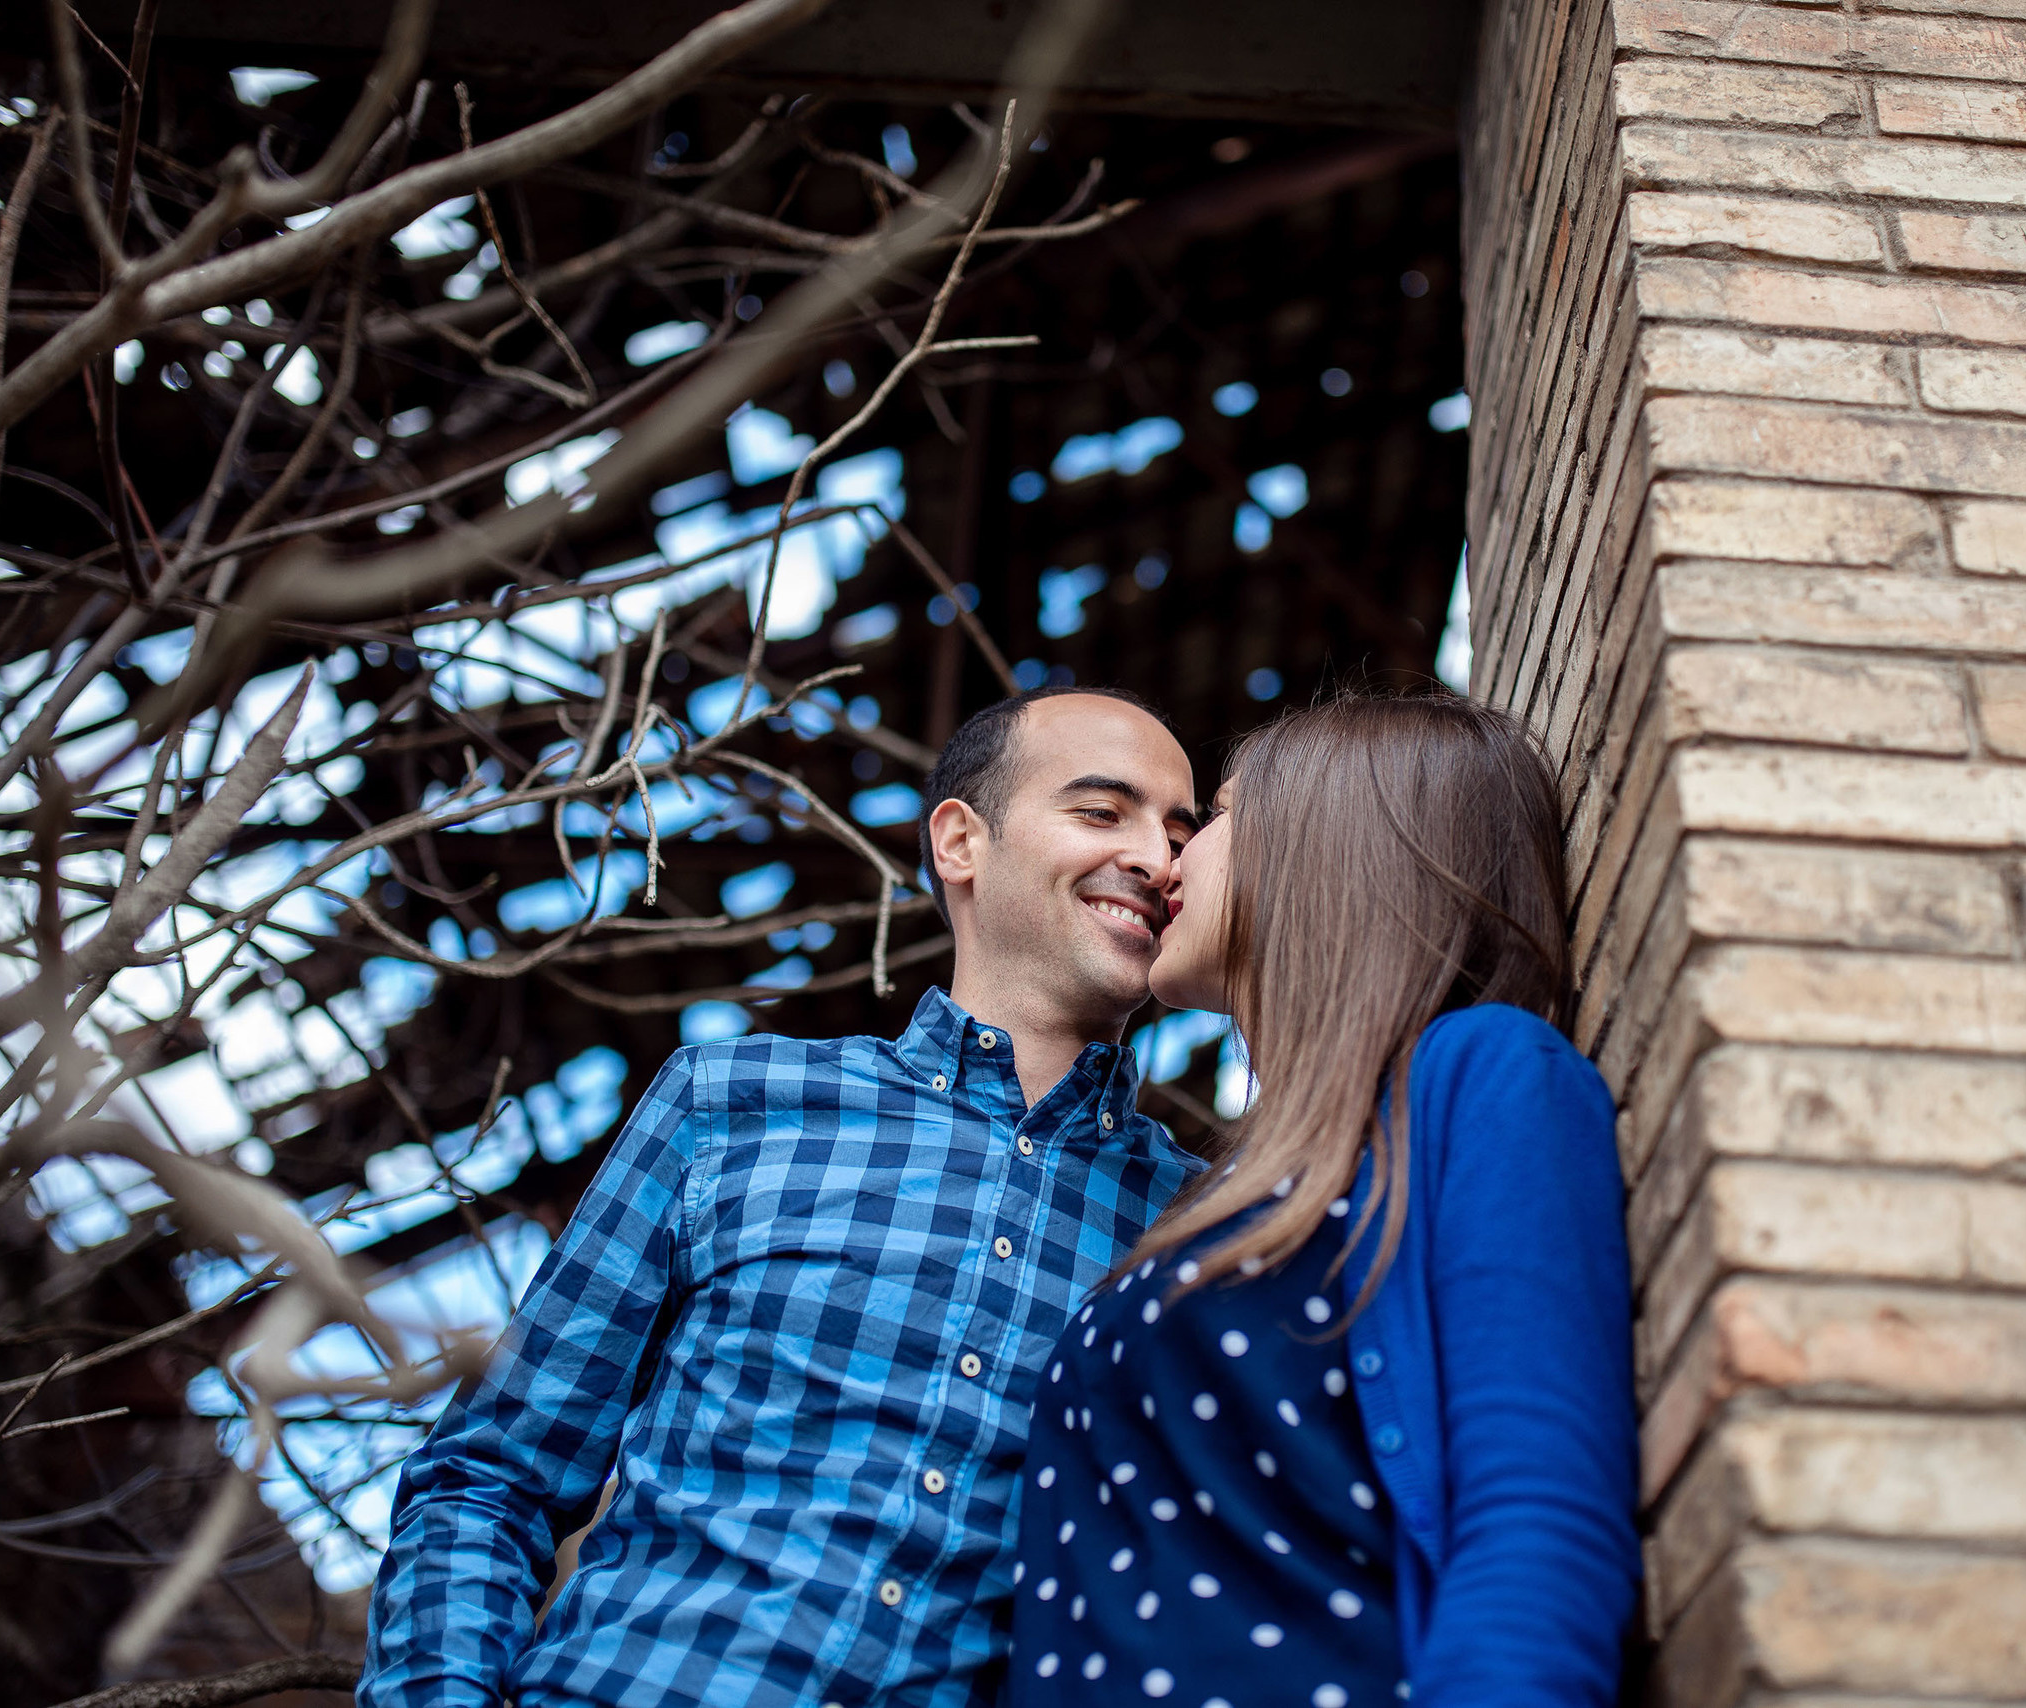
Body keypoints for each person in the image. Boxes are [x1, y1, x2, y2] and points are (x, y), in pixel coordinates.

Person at [361, 686, 1205, 1708]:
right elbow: (492, 1477)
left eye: (1179, 832)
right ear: (960, 843)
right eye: (1101, 811)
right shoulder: (731, 1103)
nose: (1157, 860)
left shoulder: (1207, 1228)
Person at [1005, 694, 1637, 1708]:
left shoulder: (1481, 1074)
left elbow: (1535, 1521)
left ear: (1326, 838)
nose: (1171, 861)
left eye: (1209, 819)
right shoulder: (1226, 1186)